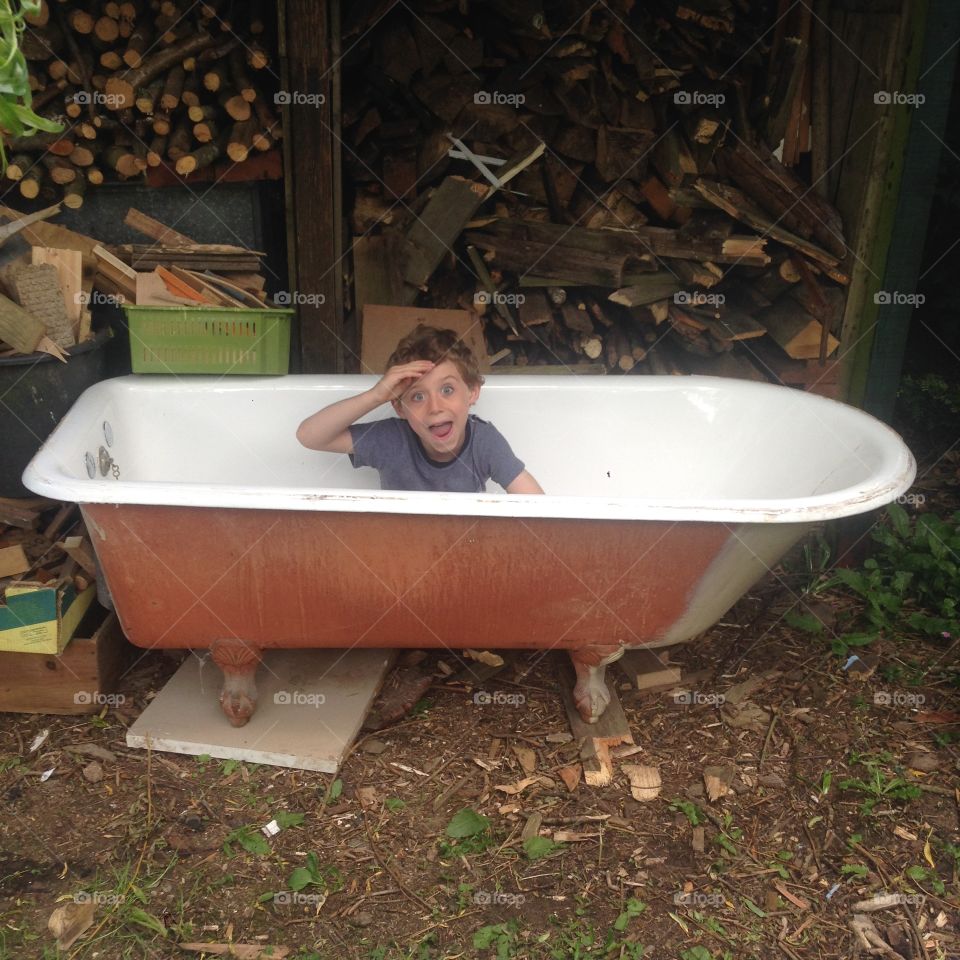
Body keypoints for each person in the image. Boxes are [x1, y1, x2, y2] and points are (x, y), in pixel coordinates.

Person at [296, 324, 544, 494]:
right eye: (417, 396)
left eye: (447, 390)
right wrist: (375, 396)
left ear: (472, 392)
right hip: (403, 549)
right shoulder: (392, 440)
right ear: (399, 407)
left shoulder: (484, 442)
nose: (435, 407)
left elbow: (538, 506)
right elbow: (309, 436)